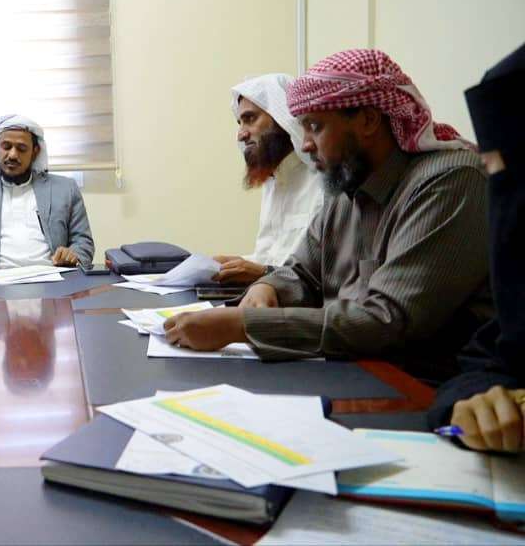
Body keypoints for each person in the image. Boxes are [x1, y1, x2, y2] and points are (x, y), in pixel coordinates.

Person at [164, 49, 492, 382]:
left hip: (420, 385)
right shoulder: (345, 187)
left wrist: (244, 326)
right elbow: (301, 273)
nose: (305, 145)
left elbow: (386, 320)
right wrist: (268, 287)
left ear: (367, 120)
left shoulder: (448, 183)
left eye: (315, 127)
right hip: (346, 369)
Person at [427, 43, 525, 451]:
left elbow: (389, 318)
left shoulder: (444, 181)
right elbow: (486, 359)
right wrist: (473, 403)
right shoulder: (343, 196)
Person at [212, 74, 324, 284]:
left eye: (250, 119)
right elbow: (271, 258)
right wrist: (234, 263)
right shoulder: (274, 182)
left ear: (282, 117)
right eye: (239, 122)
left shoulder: (324, 181)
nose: (241, 134)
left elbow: (322, 276)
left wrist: (262, 273)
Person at [0, 114, 94, 272]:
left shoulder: (65, 189)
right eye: (6, 146)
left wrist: (73, 255)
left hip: (52, 277)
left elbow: (83, 243)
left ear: (35, 152)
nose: (12, 155)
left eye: (21, 149)